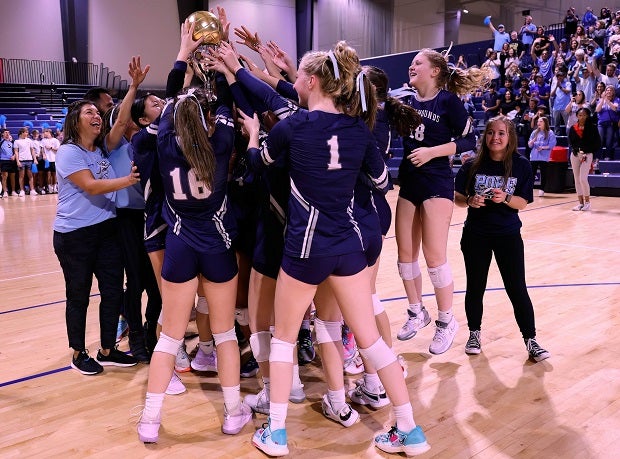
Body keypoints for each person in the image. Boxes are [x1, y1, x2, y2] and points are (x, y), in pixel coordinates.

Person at [241, 41, 430, 457]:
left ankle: (275, 433)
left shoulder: (293, 126)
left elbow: (259, 165)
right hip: (348, 246)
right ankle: (409, 429)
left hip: (306, 247)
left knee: (286, 338)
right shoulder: (358, 130)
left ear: (310, 81)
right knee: (371, 343)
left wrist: (255, 137)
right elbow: (382, 184)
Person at [136, 77, 251, 442]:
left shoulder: (165, 144)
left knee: (169, 338)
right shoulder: (220, 142)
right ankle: (233, 413)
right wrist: (222, 67)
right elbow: (227, 102)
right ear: (206, 118)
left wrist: (183, 62)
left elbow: (167, 111)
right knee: (225, 334)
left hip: (180, 245)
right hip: (216, 245)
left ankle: (150, 420)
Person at [395, 48, 488, 355]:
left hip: (436, 179)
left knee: (434, 257)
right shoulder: (405, 100)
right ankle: (415, 311)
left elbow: (468, 140)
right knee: (405, 255)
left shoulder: (448, 101)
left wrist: (433, 152)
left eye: (418, 62)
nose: (412, 65)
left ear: (435, 71)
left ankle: (446, 322)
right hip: (409, 180)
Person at [52, 99, 140, 375]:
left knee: (113, 292)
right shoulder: (68, 152)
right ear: (75, 120)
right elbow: (90, 186)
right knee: (78, 295)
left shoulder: (102, 148)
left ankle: (107, 350)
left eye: (98, 113)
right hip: (74, 236)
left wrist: (135, 86)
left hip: (106, 231)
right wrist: (127, 180)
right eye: (89, 112)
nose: (97, 116)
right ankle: (78, 353)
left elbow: (122, 122)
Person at [454, 115, 551, 362]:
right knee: (475, 287)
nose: (495, 137)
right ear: (485, 136)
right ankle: (474, 333)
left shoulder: (521, 165)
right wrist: (469, 201)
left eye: (501, 133)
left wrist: (505, 198)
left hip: (508, 236)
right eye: (490, 133)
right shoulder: (471, 164)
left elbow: (523, 203)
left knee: (517, 288)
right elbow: (457, 196)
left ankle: (531, 340)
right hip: (476, 235)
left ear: (509, 138)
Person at [569, 107, 601, 211]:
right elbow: (571, 142)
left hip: (587, 155)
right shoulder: (573, 128)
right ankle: (580, 203)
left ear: (587, 116)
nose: (581, 117)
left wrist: (585, 151)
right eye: (579, 115)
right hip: (575, 155)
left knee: (583, 178)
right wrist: (577, 151)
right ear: (577, 116)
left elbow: (597, 143)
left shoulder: (592, 128)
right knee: (577, 179)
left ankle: (587, 202)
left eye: (584, 115)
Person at [528, 116, 556, 196]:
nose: (538, 123)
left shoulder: (550, 133)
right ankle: (529, 189)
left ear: (545, 123)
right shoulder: (534, 132)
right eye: (538, 121)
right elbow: (529, 145)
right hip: (534, 156)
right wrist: (533, 141)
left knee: (544, 173)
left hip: (544, 157)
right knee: (531, 173)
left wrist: (543, 148)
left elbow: (552, 145)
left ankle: (542, 189)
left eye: (541, 121)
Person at [594, 85, 619, 160]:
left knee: (609, 141)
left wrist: (607, 101)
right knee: (600, 141)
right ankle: (598, 158)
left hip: (610, 124)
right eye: (607, 90)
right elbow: (597, 110)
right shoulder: (600, 100)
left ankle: (607, 156)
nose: (608, 91)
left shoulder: (616, 100)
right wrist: (602, 100)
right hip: (601, 124)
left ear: (613, 92)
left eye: (610, 90)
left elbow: (615, 108)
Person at [13, 127, 37, 196]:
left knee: (30, 176)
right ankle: (22, 190)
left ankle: (32, 190)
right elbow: (16, 152)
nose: (27, 133)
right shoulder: (16, 141)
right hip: (21, 160)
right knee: (21, 176)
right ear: (21, 133)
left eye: (27, 132)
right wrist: (17, 161)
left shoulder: (29, 140)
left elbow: (32, 150)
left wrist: (34, 159)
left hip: (29, 160)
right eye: (26, 132)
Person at [41, 128, 60, 193]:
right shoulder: (43, 140)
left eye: (46, 132)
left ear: (49, 132)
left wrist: (51, 148)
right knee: (48, 174)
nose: (44, 133)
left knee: (54, 174)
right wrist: (44, 155)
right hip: (47, 160)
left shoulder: (55, 140)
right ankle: (49, 187)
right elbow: (42, 149)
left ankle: (55, 187)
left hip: (54, 159)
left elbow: (58, 149)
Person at [0, 129, 16, 197]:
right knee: (4, 177)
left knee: (12, 177)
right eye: (6, 132)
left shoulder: (12, 142)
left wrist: (14, 156)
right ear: (2, 134)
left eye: (8, 132)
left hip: (12, 161)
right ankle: (5, 191)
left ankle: (13, 191)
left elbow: (16, 151)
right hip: (4, 161)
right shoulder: (1, 142)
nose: (7, 134)